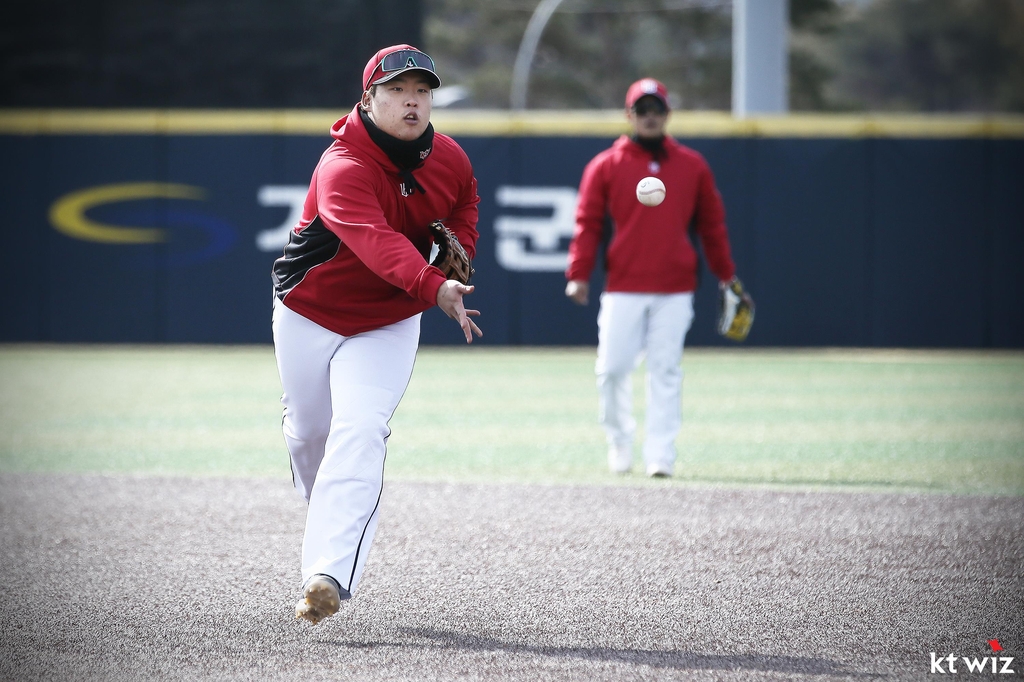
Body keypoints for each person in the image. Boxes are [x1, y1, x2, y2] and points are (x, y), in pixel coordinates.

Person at [272, 44, 481, 625]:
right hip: (309, 311)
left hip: (388, 319)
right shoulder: (342, 167)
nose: (412, 101)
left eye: (421, 90)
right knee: (309, 435)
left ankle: (327, 575)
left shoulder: (450, 158)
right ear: (369, 98)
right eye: (396, 90)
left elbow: (464, 207)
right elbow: (376, 243)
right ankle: (334, 510)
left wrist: (457, 249)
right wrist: (431, 283)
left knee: (360, 430)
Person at [564, 78, 740, 478]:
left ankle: (660, 453)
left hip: (675, 287)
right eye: (641, 110)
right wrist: (579, 274)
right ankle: (619, 440)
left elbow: (712, 227)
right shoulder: (606, 165)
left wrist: (726, 276)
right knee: (611, 369)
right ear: (630, 115)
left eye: (655, 109)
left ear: (666, 115)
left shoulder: (692, 166)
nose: (649, 117)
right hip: (623, 284)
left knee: (665, 370)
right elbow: (587, 224)